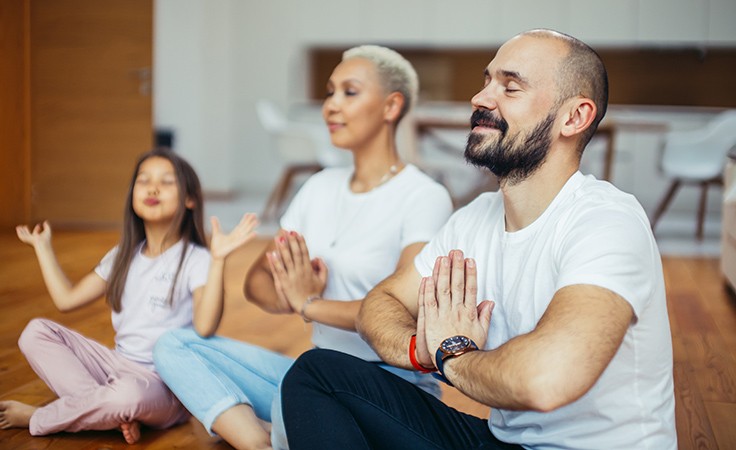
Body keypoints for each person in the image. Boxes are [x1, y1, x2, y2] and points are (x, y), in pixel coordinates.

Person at [280, 29, 678, 450]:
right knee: (317, 373)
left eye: (510, 87)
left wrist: (453, 354)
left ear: (574, 117)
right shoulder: (475, 218)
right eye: (486, 81)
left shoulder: (606, 220)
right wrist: (422, 350)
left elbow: (545, 381)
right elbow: (381, 305)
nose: (481, 98)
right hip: (501, 442)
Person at [152, 45, 453, 450]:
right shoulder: (319, 186)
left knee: (300, 402)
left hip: (390, 384)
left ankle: (266, 426)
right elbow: (257, 282)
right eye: (330, 92)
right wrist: (293, 294)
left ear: (391, 106)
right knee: (174, 345)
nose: (330, 105)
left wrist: (308, 303)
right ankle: (257, 439)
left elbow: (405, 310)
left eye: (349, 92)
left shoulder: (423, 196)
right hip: (312, 371)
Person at [0, 148, 258, 444]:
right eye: (143, 180)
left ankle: (42, 417)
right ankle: (110, 416)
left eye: (167, 182)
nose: (152, 187)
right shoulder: (122, 254)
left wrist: (219, 261)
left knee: (127, 395)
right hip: (116, 366)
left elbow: (205, 327)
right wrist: (42, 247)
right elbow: (66, 300)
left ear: (190, 200)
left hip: (165, 385)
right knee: (35, 332)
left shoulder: (197, 259)